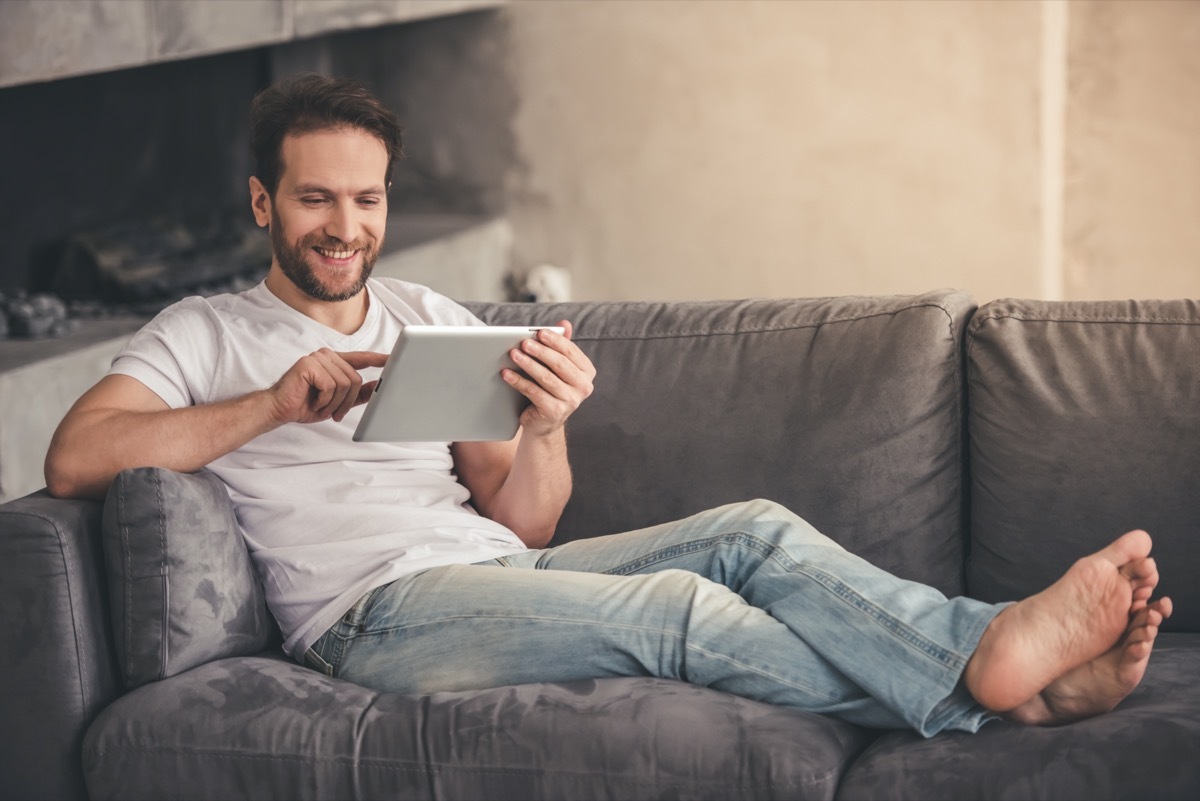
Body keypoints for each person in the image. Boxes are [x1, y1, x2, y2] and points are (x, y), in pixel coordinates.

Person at [45, 74, 1172, 737]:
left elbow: (524, 524)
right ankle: (994, 680)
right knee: (676, 613)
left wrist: (543, 424)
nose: (347, 226)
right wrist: (269, 406)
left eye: (369, 198)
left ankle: (990, 666)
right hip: (367, 622)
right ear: (263, 202)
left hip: (495, 575)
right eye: (317, 200)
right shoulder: (204, 333)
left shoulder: (429, 315)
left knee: (754, 534)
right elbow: (75, 457)